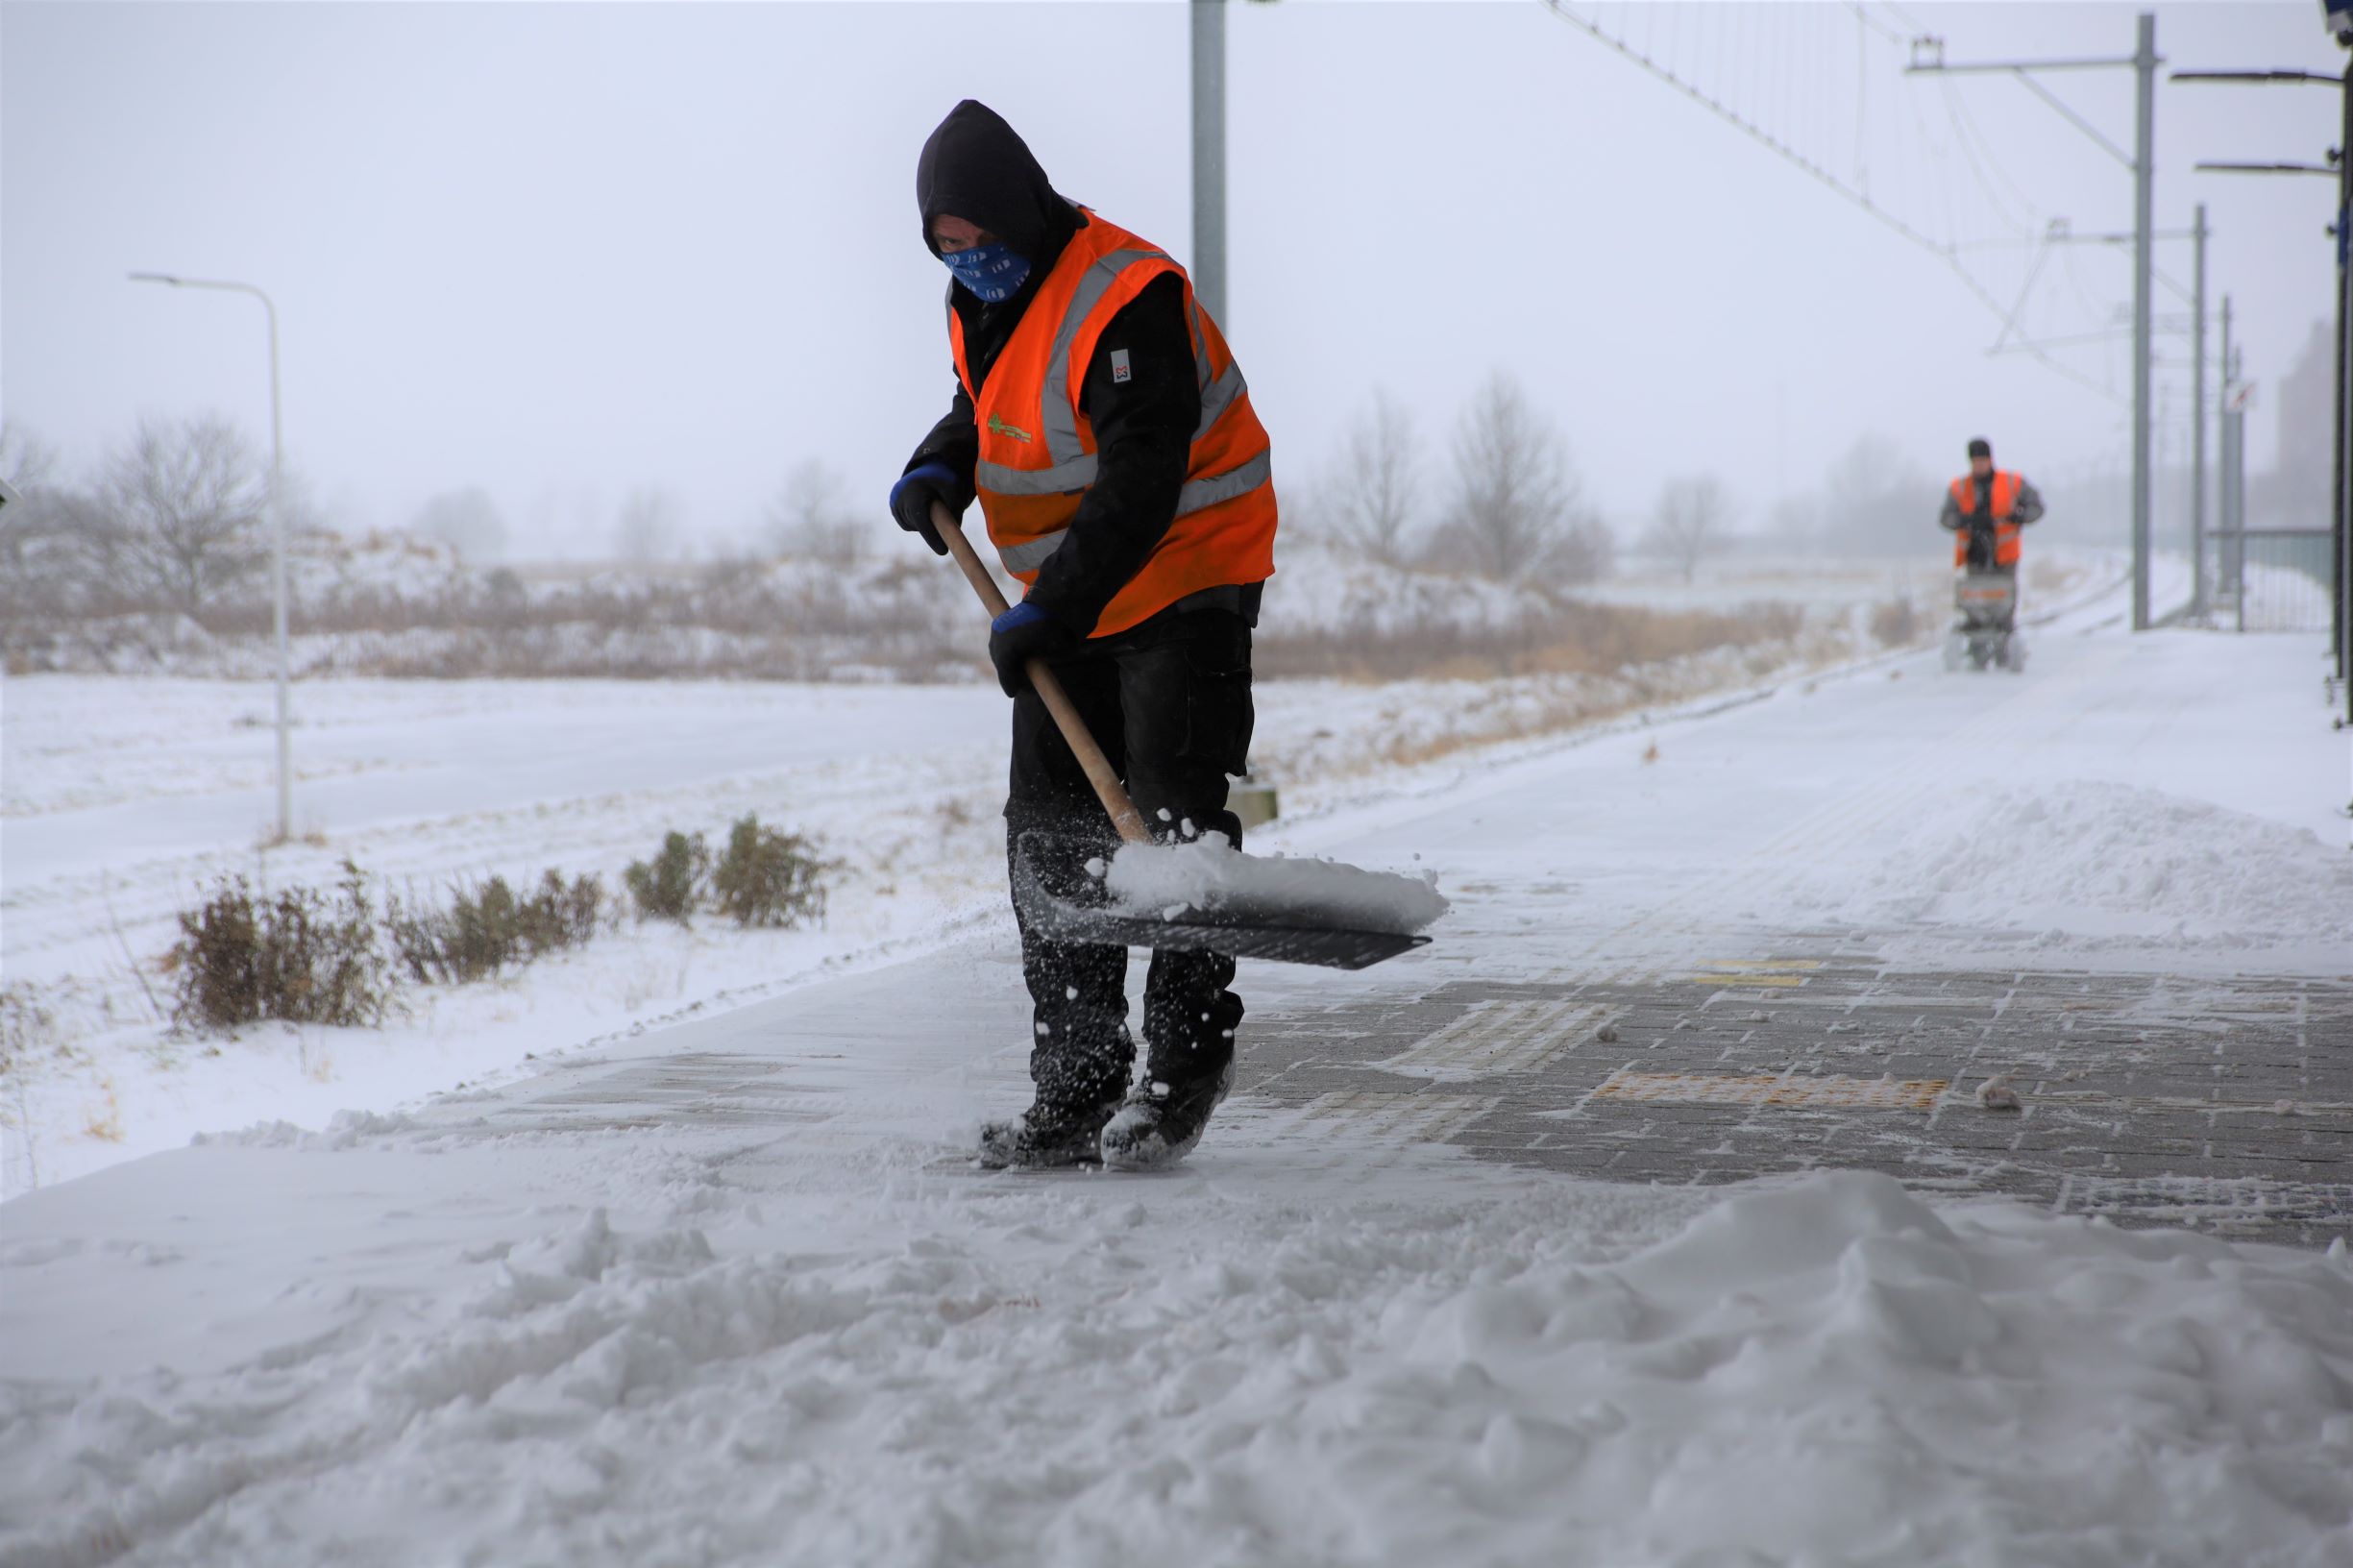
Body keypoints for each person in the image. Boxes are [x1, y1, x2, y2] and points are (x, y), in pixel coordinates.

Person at [886, 101, 1278, 1172]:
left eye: (981, 244)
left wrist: (1051, 609)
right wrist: (941, 461)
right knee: (1050, 837)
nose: (970, 267)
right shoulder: (984, 301)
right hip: (1072, 594)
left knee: (1168, 831)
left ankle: (1179, 1074)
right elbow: (992, 402)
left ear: (1022, 211)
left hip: (1183, 578)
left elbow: (1142, 473)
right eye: (947, 250)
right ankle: (1073, 1086)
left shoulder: (1127, 296)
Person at [1939, 437, 2046, 577]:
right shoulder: (1959, 487)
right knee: (1975, 597)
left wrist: (2019, 517)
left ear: (1990, 459)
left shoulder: (2012, 482)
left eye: (1982, 460)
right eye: (1975, 461)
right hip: (1974, 556)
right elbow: (1946, 518)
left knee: (2004, 596)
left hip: (2006, 558)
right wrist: (1967, 520)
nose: (1979, 464)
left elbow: (2036, 507)